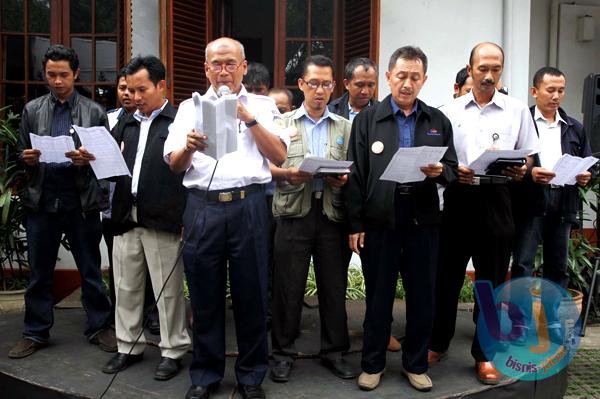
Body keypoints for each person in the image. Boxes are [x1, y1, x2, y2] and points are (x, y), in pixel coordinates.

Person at [164, 37, 288, 399]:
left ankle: (251, 376)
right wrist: (187, 146)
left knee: (252, 295)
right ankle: (204, 375)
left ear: (244, 67)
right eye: (216, 64)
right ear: (206, 68)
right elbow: (174, 165)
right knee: (204, 296)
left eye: (230, 63)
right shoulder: (188, 108)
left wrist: (248, 119)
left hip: (248, 205)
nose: (223, 71)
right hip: (203, 206)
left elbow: (279, 156)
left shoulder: (262, 105)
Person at [345, 46, 458, 392]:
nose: (407, 83)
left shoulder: (437, 120)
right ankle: (372, 363)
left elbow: (452, 170)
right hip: (381, 220)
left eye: (415, 77)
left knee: (423, 296)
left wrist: (441, 171)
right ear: (389, 77)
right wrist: (355, 224)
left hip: (423, 220)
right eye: (401, 76)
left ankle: (416, 363)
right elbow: (356, 173)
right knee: (379, 297)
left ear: (424, 80)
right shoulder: (368, 119)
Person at [428, 42, 540, 385]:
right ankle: (437, 342)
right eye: (483, 69)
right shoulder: (448, 110)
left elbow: (530, 154)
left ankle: (486, 353)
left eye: (495, 69)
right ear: (470, 68)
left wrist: (522, 169)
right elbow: (438, 157)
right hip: (459, 199)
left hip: (497, 200)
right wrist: (452, 170)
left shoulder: (517, 110)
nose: (489, 76)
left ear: (502, 70)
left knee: (490, 283)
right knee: (446, 278)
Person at [9, 44, 115, 359]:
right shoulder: (32, 110)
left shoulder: (94, 111)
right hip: (42, 199)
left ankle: (99, 326)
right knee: (40, 272)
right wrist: (25, 158)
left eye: (63, 75)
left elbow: (106, 161)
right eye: (51, 75)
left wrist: (87, 160)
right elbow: (19, 154)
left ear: (76, 74)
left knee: (91, 269)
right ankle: (35, 331)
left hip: (80, 199)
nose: (57, 81)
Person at [100, 55, 191, 380]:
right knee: (125, 284)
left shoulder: (178, 120)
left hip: (163, 214)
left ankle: (173, 350)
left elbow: (189, 172)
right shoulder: (125, 121)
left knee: (167, 291)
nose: (135, 97)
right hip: (125, 212)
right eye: (131, 90)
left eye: (142, 89)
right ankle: (128, 346)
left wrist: (184, 217)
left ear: (161, 85)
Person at [269, 55, 355, 383]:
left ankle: (334, 352)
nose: (320, 91)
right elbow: (267, 169)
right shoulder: (282, 124)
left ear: (334, 87)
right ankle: (282, 353)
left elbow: (353, 170)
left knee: (334, 287)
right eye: (313, 83)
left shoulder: (345, 127)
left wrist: (343, 178)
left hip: (332, 215)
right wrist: (288, 173)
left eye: (326, 84)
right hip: (293, 214)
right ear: (301, 85)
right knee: (287, 288)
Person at [510, 67, 593, 340]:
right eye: (550, 90)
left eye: (561, 90)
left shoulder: (574, 127)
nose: (556, 96)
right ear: (535, 91)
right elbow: (511, 165)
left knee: (557, 265)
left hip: (564, 199)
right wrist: (530, 175)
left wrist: (585, 176)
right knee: (523, 263)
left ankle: (552, 322)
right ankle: (521, 324)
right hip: (531, 198)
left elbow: (588, 165)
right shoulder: (523, 123)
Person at [103, 67, 136, 316]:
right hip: (113, 204)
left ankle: (151, 313)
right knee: (118, 263)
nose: (127, 94)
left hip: (143, 202)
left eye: (132, 89)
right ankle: (119, 312)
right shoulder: (107, 119)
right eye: (122, 88)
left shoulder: (155, 121)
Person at [328, 57, 378, 122]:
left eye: (370, 85)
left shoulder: (383, 112)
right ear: (346, 84)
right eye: (360, 85)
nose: (365, 91)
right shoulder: (331, 112)